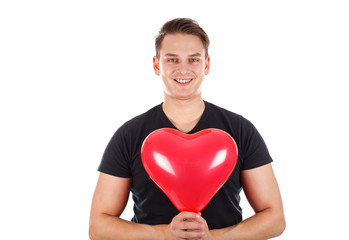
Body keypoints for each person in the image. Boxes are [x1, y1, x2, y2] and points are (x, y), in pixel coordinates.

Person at [89, 18, 285, 240]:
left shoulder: (240, 130)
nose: (183, 69)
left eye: (193, 59)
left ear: (206, 65)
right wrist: (164, 234)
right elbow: (99, 227)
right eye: (172, 59)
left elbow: (275, 219)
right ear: (156, 65)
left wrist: (212, 237)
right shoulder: (129, 135)